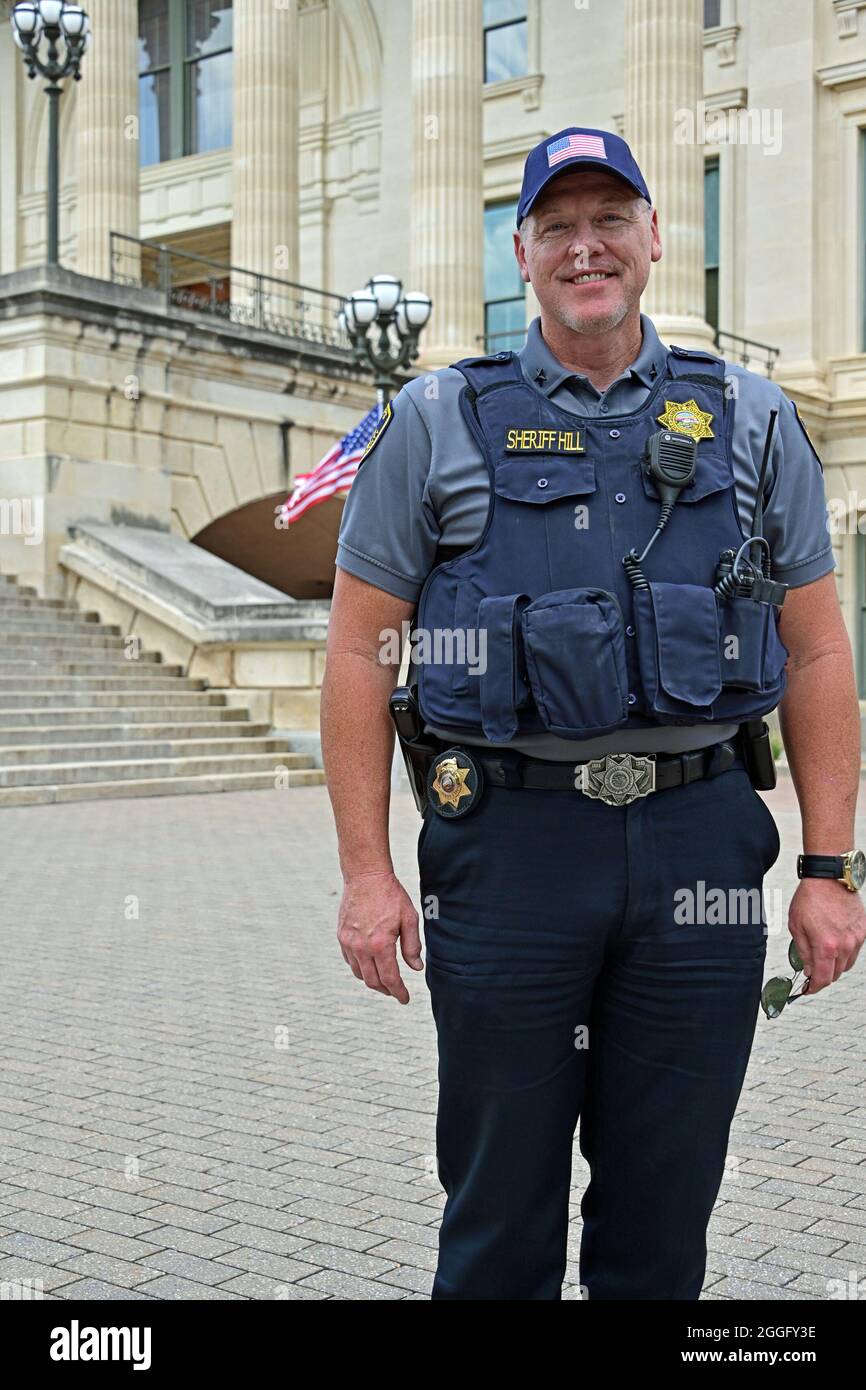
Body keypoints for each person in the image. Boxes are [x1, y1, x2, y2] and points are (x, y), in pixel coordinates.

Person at [321, 126, 866, 1300]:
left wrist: (828, 868)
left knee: (663, 1223)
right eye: (556, 225)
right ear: (518, 252)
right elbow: (362, 653)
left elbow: (816, 651)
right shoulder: (435, 421)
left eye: (609, 218)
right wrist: (367, 873)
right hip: (507, 851)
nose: (586, 247)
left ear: (654, 237)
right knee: (496, 1218)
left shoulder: (752, 417)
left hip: (699, 843)